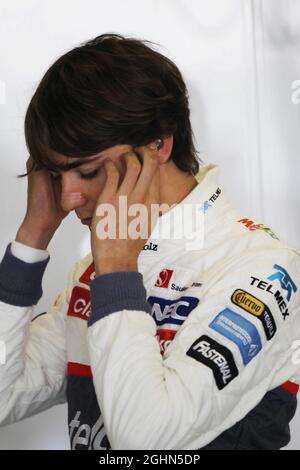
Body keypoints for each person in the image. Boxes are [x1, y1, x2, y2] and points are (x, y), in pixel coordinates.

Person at [0, 33, 299, 451]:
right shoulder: (98, 271)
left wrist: (118, 272)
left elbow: (146, 443)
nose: (67, 198)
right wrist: (32, 238)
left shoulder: (260, 267)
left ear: (158, 144)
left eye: (86, 172)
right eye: (54, 175)